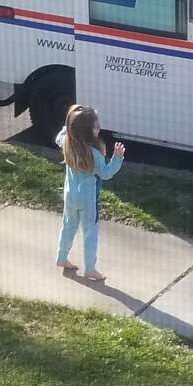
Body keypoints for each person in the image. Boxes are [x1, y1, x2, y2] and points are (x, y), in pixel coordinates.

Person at [55, 104, 125, 282]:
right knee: (90, 232)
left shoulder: (67, 143)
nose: (99, 127)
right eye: (96, 125)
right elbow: (107, 173)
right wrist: (117, 158)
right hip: (87, 199)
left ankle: (61, 257)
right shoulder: (94, 154)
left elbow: (60, 136)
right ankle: (90, 269)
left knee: (68, 225)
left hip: (70, 195)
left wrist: (68, 127)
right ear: (88, 131)